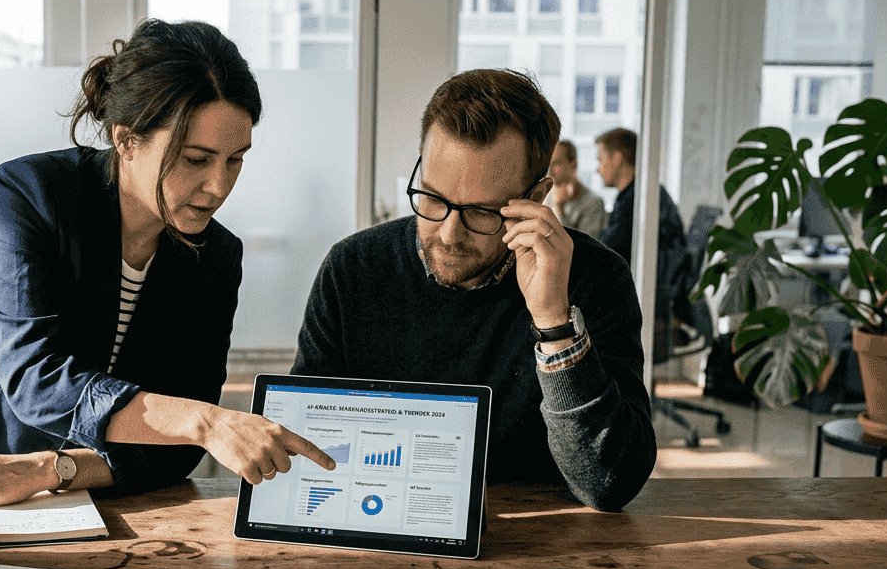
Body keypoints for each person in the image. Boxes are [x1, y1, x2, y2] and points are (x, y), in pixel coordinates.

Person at [0, 19, 333, 505]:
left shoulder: (215, 257)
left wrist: (53, 469)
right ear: (126, 138)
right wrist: (207, 421)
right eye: (195, 160)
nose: (218, 186)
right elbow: (38, 379)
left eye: (235, 159)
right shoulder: (27, 196)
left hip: (48, 501)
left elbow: (174, 450)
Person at [292, 69, 656, 512]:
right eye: (432, 197)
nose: (448, 232)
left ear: (537, 196)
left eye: (482, 211)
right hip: (383, 523)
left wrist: (554, 324)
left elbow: (610, 485)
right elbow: (304, 452)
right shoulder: (353, 270)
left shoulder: (594, 276)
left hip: (545, 545)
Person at [595, 128, 691, 326]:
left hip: (651, 308)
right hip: (658, 300)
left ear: (617, 158)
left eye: (600, 159)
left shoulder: (638, 202)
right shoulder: (642, 193)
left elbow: (607, 251)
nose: (598, 168)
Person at [545, 140, 606, 240]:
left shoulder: (593, 203)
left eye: (556, 163)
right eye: (548, 163)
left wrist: (559, 208)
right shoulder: (545, 197)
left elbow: (584, 248)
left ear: (574, 164)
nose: (549, 170)